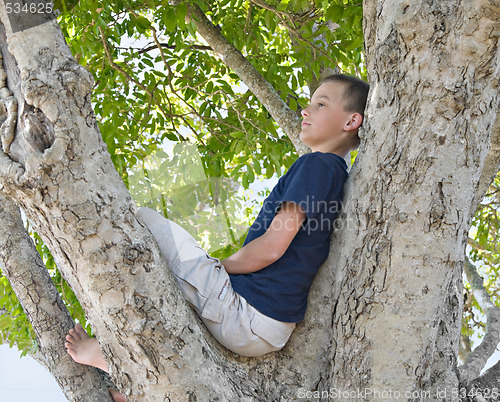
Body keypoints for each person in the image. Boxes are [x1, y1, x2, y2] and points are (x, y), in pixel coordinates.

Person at [65, 73, 369, 400]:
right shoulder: (335, 173)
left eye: (320, 105)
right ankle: (137, 391)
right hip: (266, 327)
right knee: (180, 301)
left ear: (352, 121)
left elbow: (272, 247)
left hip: (248, 313)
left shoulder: (318, 166)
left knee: (145, 222)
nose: (306, 111)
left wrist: (218, 268)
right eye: (309, 104)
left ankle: (115, 356)